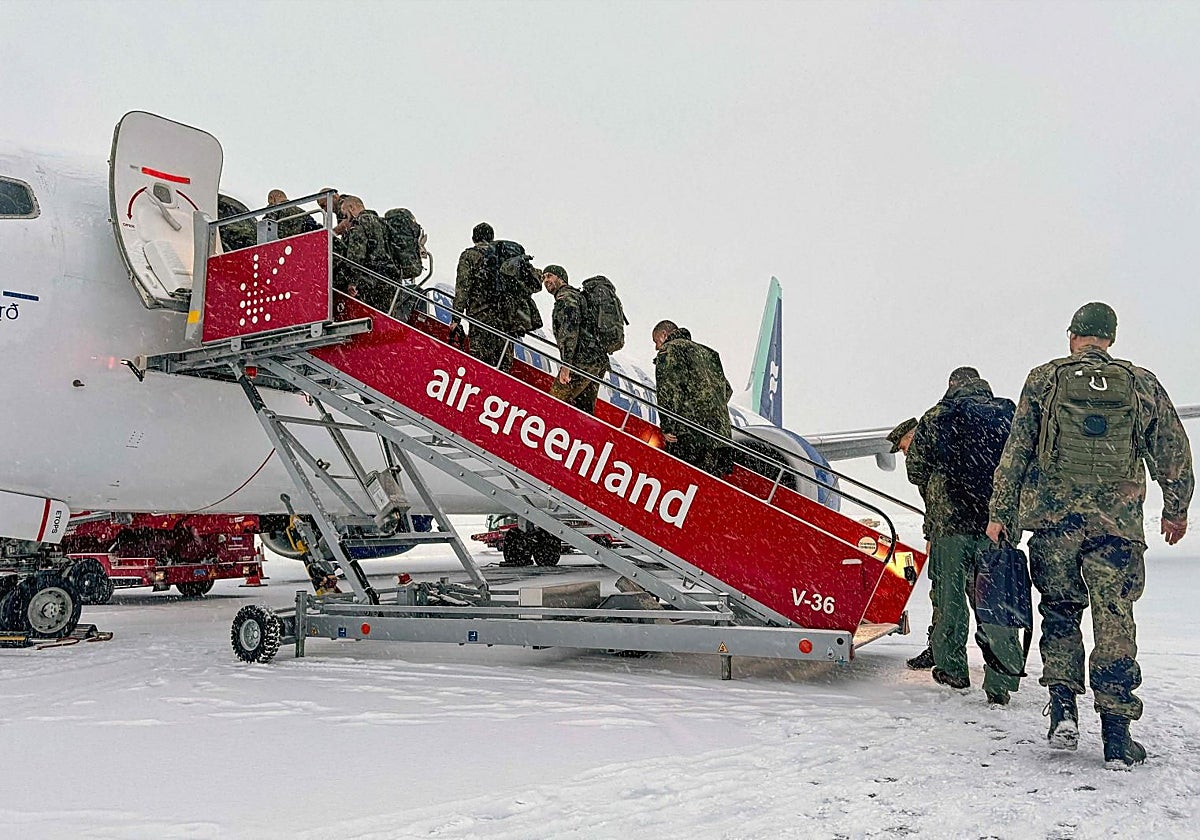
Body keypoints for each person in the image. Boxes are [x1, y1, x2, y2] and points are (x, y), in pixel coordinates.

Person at [987, 302, 1193, 768]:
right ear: (1111, 339)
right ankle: (1117, 735)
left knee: (1060, 612)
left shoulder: (1044, 379)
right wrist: (1175, 510)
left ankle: (1063, 709)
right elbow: (1174, 452)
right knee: (1114, 621)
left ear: (1072, 336)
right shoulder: (1140, 383)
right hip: (1116, 530)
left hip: (1055, 525)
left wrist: (1002, 513)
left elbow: (1016, 451)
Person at [907, 367, 1024, 706]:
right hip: (996, 526)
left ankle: (953, 669)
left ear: (952, 386)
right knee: (997, 602)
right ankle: (1001, 680)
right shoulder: (1007, 413)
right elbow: (1025, 465)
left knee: (951, 600)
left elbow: (916, 469)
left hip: (951, 526)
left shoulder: (937, 416)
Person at [652, 320, 735, 477]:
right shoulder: (708, 353)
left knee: (680, 481)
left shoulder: (671, 349)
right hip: (720, 439)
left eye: (656, 341)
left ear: (664, 334)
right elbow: (727, 390)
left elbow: (669, 390)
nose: (657, 347)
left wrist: (668, 426)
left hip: (690, 435)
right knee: (705, 489)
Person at [888, 417, 937, 671]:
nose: (905, 453)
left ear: (912, 436)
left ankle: (941, 652)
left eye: (904, 446)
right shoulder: (938, 452)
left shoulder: (928, 458)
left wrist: (931, 535)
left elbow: (936, 504)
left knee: (944, 597)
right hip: (964, 531)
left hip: (949, 534)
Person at [542, 265, 609, 414]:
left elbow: (569, 330)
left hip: (582, 360)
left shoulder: (566, 298)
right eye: (544, 277)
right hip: (597, 360)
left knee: (553, 403)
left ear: (561, 278)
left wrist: (566, 365)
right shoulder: (579, 297)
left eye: (550, 275)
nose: (546, 280)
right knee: (582, 411)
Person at [452, 222, 513, 370]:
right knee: (502, 363)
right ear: (492, 238)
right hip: (505, 319)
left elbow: (463, 287)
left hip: (481, 316)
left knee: (480, 362)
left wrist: (455, 318)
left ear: (474, 238)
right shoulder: (504, 258)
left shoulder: (469, 256)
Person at [336, 195, 397, 312]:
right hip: (390, 279)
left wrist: (352, 281)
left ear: (351, 208)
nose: (346, 220)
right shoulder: (383, 223)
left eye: (345, 215)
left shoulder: (359, 223)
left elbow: (356, 256)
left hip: (370, 280)